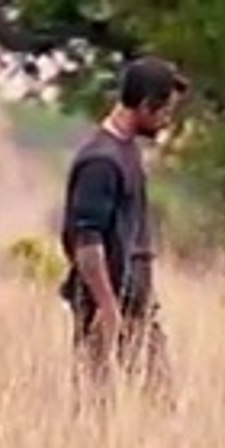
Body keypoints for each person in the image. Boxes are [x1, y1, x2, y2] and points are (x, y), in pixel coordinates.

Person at [57, 56, 188, 407]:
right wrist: (108, 307)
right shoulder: (102, 162)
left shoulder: (125, 152)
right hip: (108, 310)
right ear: (146, 106)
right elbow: (87, 243)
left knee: (159, 402)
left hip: (135, 304)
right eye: (164, 112)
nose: (166, 122)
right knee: (98, 406)